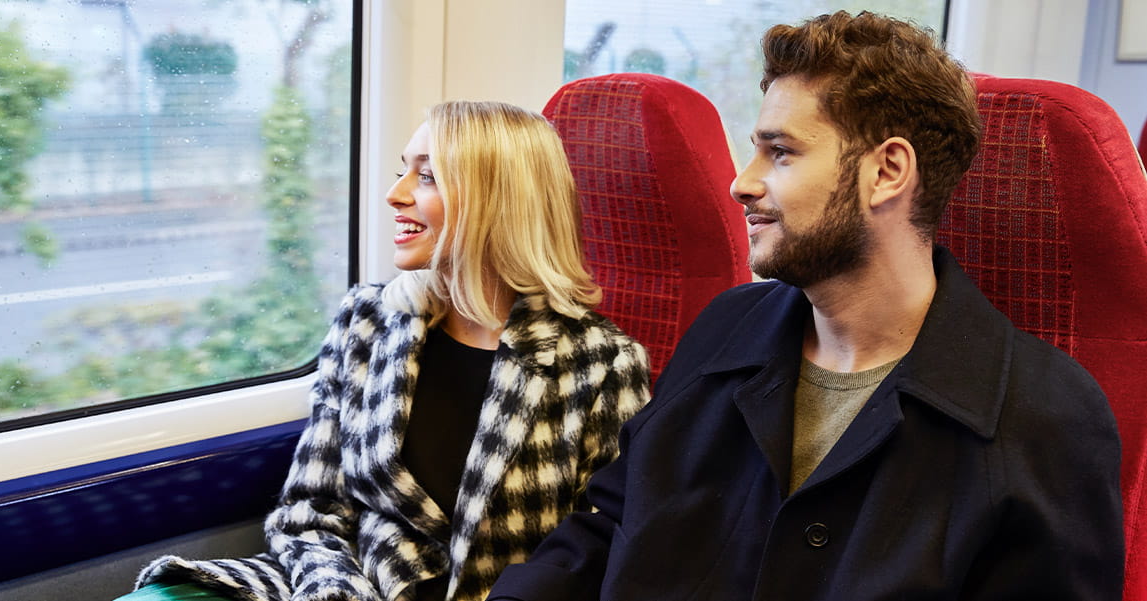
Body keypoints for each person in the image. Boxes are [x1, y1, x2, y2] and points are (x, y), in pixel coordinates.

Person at [487, 11, 1123, 601]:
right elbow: (611, 523)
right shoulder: (725, 330)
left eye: (781, 152)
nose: (742, 181)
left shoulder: (1047, 417)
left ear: (887, 171)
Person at [119, 101, 650, 601]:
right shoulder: (367, 322)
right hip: (346, 584)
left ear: (498, 201)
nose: (395, 194)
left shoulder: (601, 364)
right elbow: (311, 510)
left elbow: (597, 550)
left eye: (426, 175)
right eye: (403, 171)